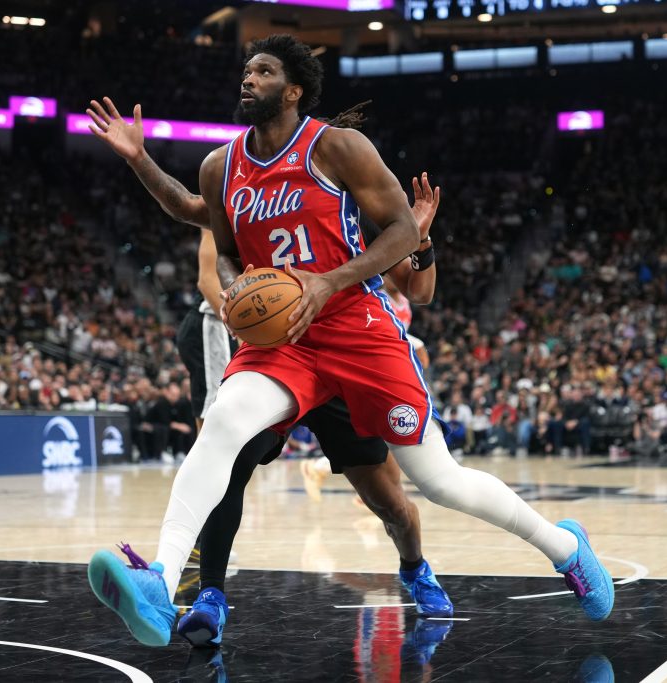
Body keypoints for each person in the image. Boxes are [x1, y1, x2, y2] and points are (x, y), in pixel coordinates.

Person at [89, 36, 613, 648]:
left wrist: (330, 281)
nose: (248, 79)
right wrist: (147, 169)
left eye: (263, 71)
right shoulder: (220, 166)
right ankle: (160, 580)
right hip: (284, 339)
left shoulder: (337, 148)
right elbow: (210, 232)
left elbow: (402, 230)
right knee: (224, 424)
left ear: (293, 90)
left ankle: (565, 548)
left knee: (438, 481)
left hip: (355, 328)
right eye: (246, 70)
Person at [86, 95, 452, 646]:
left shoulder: (361, 225)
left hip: (349, 359)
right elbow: (189, 209)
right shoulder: (248, 196)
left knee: (388, 502)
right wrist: (140, 159)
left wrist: (420, 237)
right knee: (228, 457)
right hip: (282, 356)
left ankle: (415, 567)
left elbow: (419, 290)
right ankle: (209, 596)